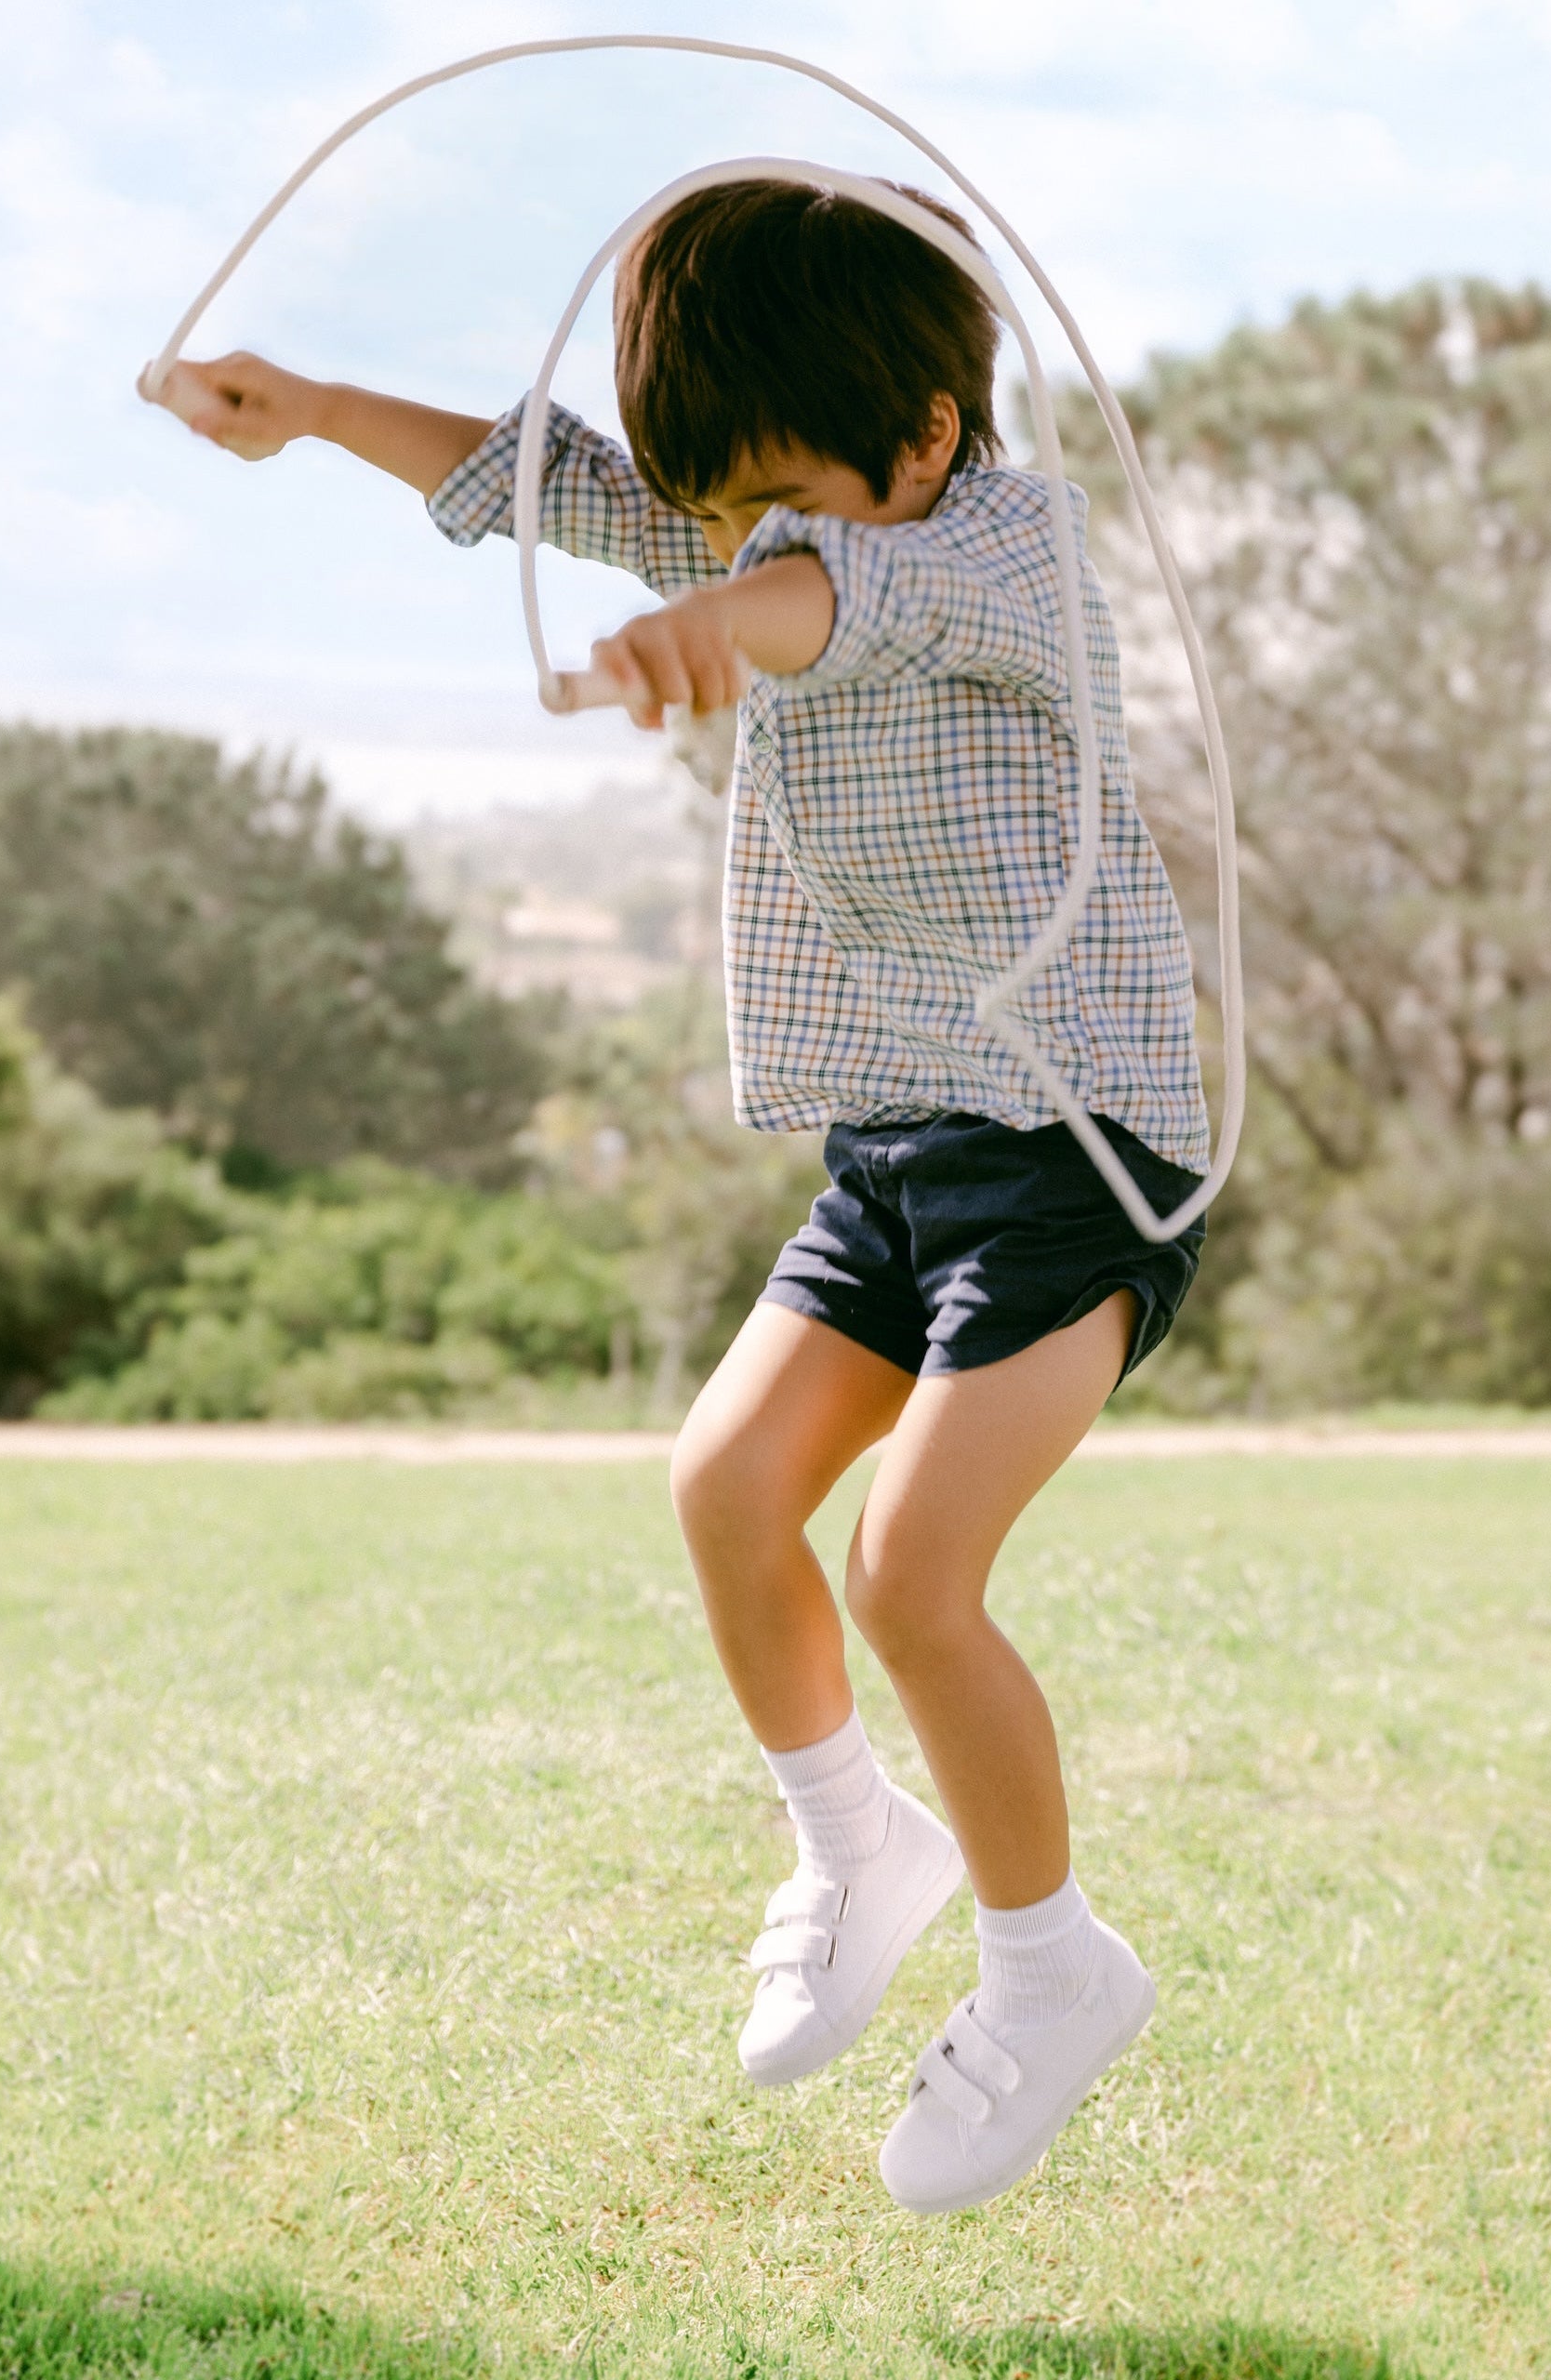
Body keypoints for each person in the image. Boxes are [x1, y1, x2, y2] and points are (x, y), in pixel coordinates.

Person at [152, 177, 1208, 2215]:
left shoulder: (999, 543)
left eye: (777, 499)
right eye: (709, 511)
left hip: (1075, 1148)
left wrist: (706, 626)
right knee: (725, 1488)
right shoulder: (745, 520)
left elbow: (829, 607)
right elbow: (543, 479)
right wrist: (311, 408)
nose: (736, 539)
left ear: (921, 433)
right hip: (904, 1135)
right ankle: (852, 1842)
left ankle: (1051, 1964)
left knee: (910, 1570)